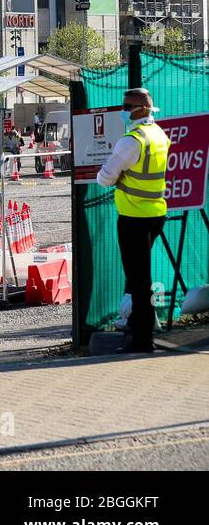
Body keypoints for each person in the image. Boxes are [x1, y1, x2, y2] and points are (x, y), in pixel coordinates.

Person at [96, 88, 169, 353]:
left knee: (138, 280)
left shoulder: (132, 140)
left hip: (133, 217)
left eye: (127, 106)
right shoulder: (159, 135)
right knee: (140, 277)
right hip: (156, 213)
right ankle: (140, 332)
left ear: (140, 110)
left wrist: (115, 176)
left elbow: (105, 178)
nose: (123, 110)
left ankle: (141, 338)